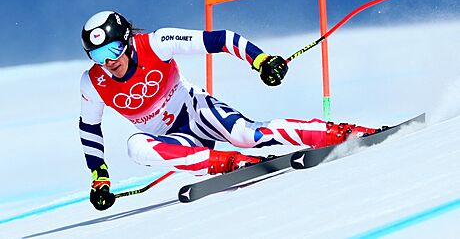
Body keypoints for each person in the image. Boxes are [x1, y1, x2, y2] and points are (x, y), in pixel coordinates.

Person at [79, 11, 378, 210]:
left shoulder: (157, 43)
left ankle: (338, 133)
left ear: (128, 40)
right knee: (135, 147)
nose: (108, 62)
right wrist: (99, 177)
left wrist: (260, 61)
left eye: (113, 50)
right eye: (97, 55)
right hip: (177, 142)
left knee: (247, 134)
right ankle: (231, 164)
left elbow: (221, 39)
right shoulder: (93, 82)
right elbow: (89, 128)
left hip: (197, 111)